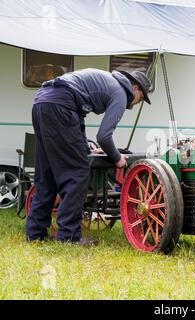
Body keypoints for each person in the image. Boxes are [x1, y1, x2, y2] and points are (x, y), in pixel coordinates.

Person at [26, 68, 151, 245]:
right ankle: (69, 236)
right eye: (142, 98)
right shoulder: (121, 93)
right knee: (76, 173)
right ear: (135, 87)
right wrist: (117, 158)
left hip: (41, 102)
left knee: (46, 174)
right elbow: (104, 137)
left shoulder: (107, 82)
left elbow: (78, 114)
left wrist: (85, 147)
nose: (139, 102)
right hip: (60, 105)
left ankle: (35, 233)